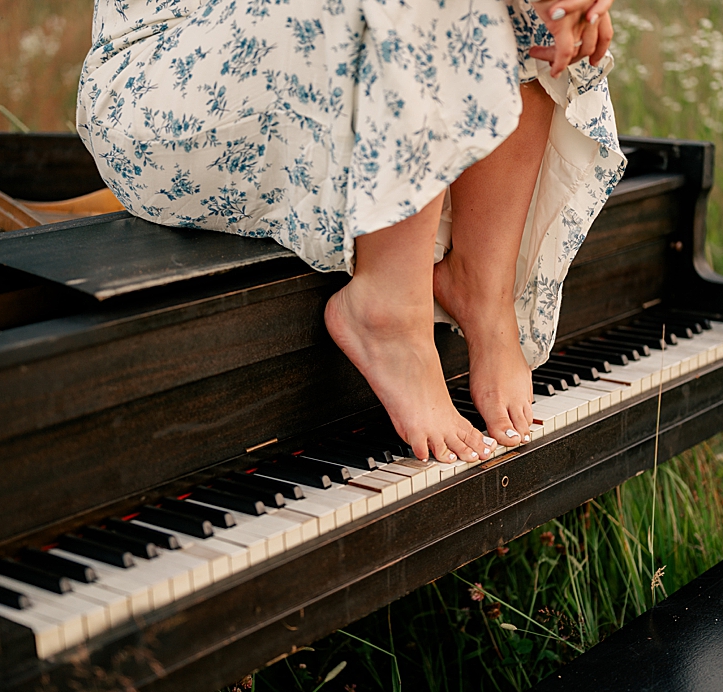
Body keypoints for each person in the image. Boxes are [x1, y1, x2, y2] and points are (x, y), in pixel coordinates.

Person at [77, 0, 623, 464]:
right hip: (165, 75)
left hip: (302, 42)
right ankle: (387, 308)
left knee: (530, 12)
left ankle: (480, 285)